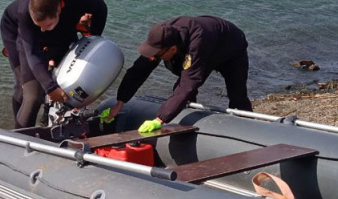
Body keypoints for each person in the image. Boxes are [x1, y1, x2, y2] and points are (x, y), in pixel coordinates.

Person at [106, 15, 251, 132]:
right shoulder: (161, 37)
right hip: (205, 44)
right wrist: (120, 102)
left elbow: (189, 83)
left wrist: (160, 119)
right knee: (179, 87)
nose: (153, 58)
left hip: (231, 49)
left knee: (237, 95)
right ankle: (188, 123)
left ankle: (248, 127)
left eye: (157, 56)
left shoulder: (197, 43)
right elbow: (138, 71)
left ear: (172, 49)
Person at [0, 0, 107, 128]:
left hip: (62, 25)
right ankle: (19, 136)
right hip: (16, 31)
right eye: (40, 26)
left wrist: (93, 41)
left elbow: (100, 7)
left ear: (59, 8)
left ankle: (59, 125)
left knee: (64, 79)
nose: (42, 30)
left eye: (46, 25)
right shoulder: (24, 13)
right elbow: (31, 54)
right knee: (31, 92)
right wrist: (50, 88)